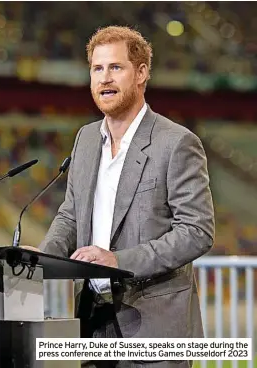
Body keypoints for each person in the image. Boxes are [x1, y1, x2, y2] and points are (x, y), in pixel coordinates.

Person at [36, 26, 215, 368]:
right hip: (93, 324)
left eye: (116, 67)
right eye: (97, 68)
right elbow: (71, 215)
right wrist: (41, 260)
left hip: (156, 328)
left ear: (142, 73)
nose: (105, 78)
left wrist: (119, 262)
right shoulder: (86, 139)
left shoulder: (176, 143)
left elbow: (197, 231)